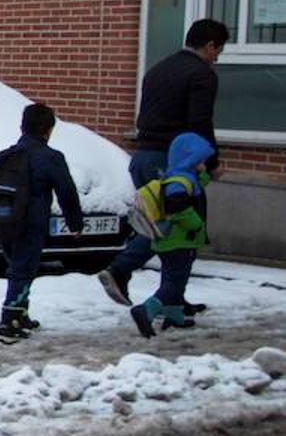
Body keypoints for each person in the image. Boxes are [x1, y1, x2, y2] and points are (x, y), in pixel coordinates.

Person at [97, 18, 228, 309]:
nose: (217, 57)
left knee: (164, 222)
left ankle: (174, 300)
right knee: (176, 225)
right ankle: (121, 269)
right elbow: (199, 124)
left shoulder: (159, 68)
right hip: (171, 163)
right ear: (210, 45)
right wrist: (211, 161)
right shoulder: (201, 75)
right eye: (218, 50)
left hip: (142, 156)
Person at [0, 103, 85, 344]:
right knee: (22, 271)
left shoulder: (7, 154)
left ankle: (21, 315)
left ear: (22, 127)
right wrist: (75, 222)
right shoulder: (51, 158)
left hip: (5, 223)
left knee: (18, 268)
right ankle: (10, 321)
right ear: (48, 130)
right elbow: (67, 192)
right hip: (31, 224)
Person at [129, 132, 215, 338]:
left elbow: (195, 187)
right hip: (179, 240)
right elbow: (178, 205)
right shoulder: (181, 181)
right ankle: (147, 309)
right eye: (201, 159)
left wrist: (205, 175)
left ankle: (174, 314)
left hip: (169, 241)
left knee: (172, 278)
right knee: (175, 282)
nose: (205, 162)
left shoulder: (178, 176)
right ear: (190, 159)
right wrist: (195, 224)